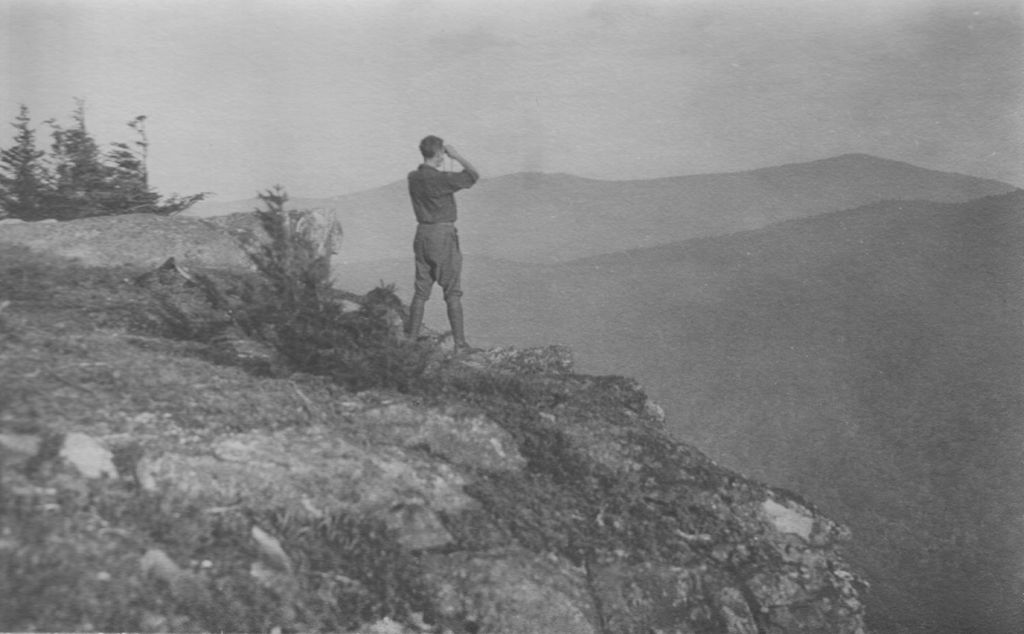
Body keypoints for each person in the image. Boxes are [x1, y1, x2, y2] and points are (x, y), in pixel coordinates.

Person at [405, 135, 480, 353]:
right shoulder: (442, 179)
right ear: (439, 154)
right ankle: (460, 344)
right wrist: (455, 156)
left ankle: (411, 338)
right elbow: (473, 176)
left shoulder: (413, 177)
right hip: (442, 235)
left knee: (421, 291)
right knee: (452, 291)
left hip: (422, 234)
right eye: (441, 154)